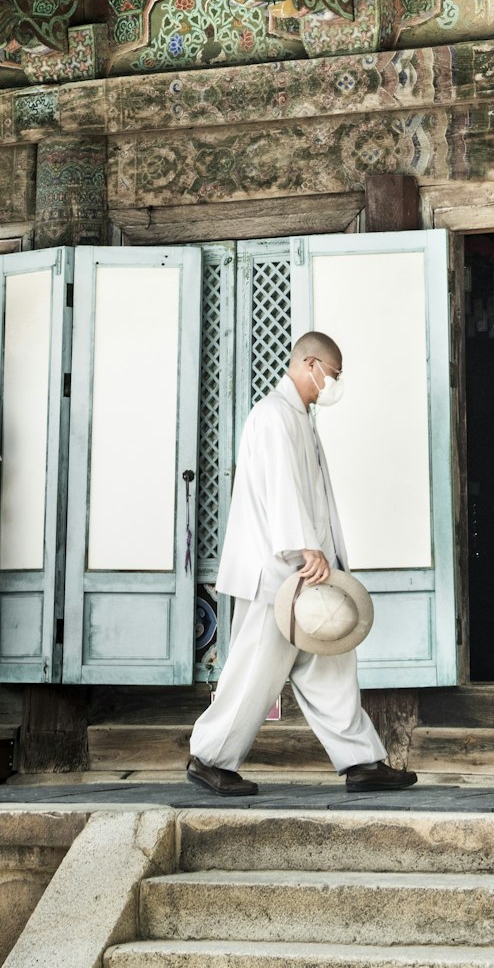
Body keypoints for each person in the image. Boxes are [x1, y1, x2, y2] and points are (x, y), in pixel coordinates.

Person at [187, 331, 417, 795]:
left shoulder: (300, 417)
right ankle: (209, 758)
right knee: (255, 668)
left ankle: (362, 761)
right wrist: (304, 546)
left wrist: (322, 554)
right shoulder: (274, 416)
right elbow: (281, 490)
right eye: (332, 374)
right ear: (310, 364)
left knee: (330, 664)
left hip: (304, 570)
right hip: (276, 572)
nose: (333, 383)